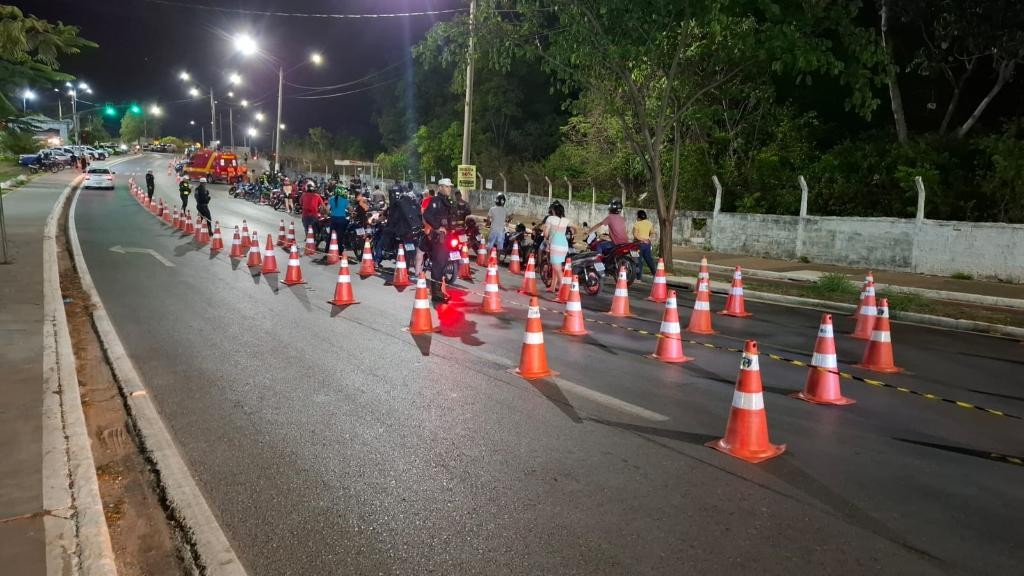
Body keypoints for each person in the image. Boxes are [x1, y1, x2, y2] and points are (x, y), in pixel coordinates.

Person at [422, 178, 454, 302]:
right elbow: (427, 215)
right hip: (438, 239)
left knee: (443, 264)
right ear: (440, 187)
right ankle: (436, 294)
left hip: (446, 239)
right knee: (438, 264)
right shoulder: (436, 200)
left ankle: (439, 291)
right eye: (447, 186)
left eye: (450, 187)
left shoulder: (447, 202)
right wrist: (437, 227)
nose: (449, 189)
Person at [542, 201, 572, 293]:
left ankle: (563, 292)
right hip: (564, 246)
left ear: (553, 211)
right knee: (556, 267)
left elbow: (546, 233)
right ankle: (553, 287)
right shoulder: (566, 220)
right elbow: (575, 228)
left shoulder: (550, 218)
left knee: (558, 269)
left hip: (555, 245)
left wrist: (546, 235)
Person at [300, 181, 327, 248]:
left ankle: (308, 241)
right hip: (314, 215)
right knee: (315, 229)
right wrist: (325, 212)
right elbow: (323, 205)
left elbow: (301, 203)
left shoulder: (303, 195)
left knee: (307, 229)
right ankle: (313, 240)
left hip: (305, 215)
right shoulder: (317, 196)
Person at [632, 210, 658, 280]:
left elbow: (635, 235)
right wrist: (648, 239)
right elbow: (653, 233)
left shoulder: (637, 224)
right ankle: (655, 275)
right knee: (649, 260)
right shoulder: (649, 223)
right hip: (647, 244)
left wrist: (642, 240)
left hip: (638, 244)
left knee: (638, 260)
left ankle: (638, 277)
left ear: (639, 217)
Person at [327, 185, 350, 254]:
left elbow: (327, 209)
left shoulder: (331, 199)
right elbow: (350, 209)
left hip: (333, 219)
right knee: (340, 236)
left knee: (331, 235)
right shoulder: (345, 200)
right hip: (342, 220)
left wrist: (330, 213)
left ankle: (327, 250)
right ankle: (339, 252)